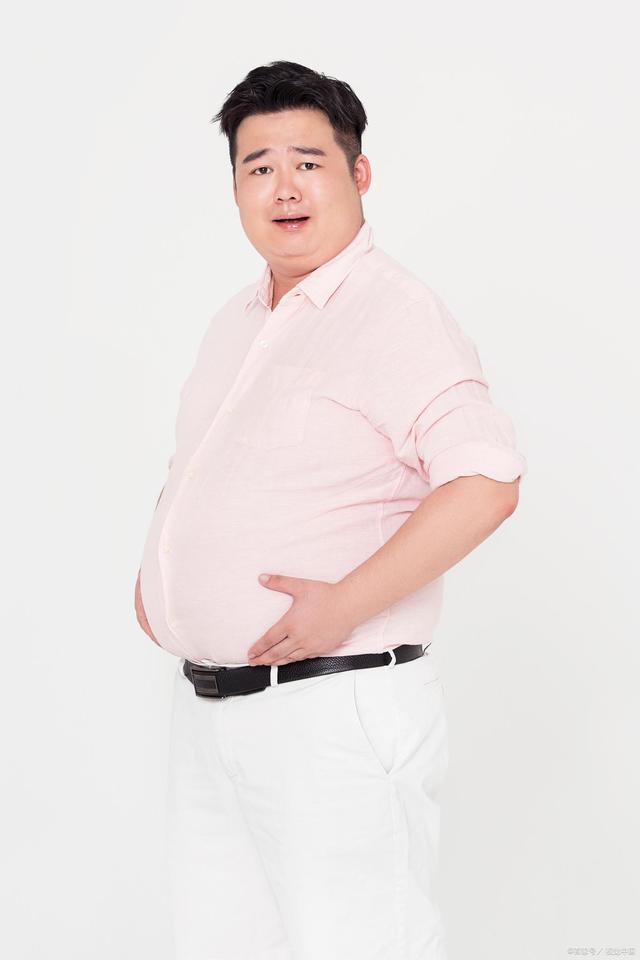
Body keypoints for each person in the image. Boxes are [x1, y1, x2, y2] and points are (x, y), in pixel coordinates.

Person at [135, 60, 528, 960]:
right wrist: (158, 578)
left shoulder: (393, 313)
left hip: (329, 709)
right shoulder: (237, 319)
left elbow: (487, 481)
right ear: (235, 188)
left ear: (359, 173)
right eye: (259, 166)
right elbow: (200, 470)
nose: (284, 187)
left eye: (308, 162)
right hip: (209, 716)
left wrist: (343, 605)